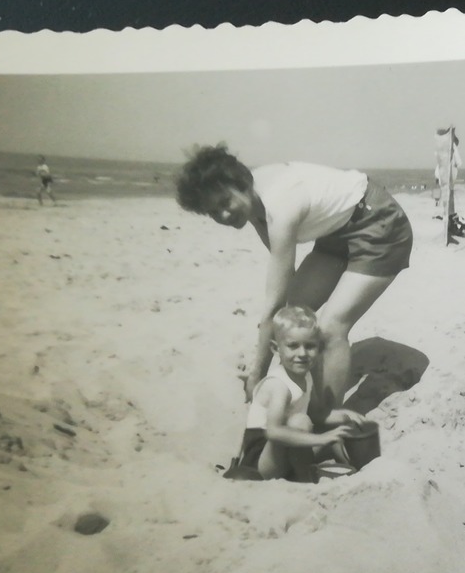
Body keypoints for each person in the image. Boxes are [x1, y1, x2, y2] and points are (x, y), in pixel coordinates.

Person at [174, 143, 413, 408]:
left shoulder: (280, 203)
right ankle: (297, 389)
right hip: (334, 233)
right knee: (292, 315)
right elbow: (283, 297)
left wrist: (257, 375)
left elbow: (271, 303)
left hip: (377, 224)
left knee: (331, 328)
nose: (224, 214)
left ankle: (326, 417)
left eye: (225, 203)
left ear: (241, 184)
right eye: (213, 212)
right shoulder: (252, 201)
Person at [228, 306, 366, 482]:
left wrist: (344, 416)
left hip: (289, 443)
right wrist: (321, 439)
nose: (302, 354)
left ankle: (345, 466)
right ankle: (306, 478)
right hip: (260, 461)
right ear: (276, 349)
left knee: (334, 431)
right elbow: (274, 432)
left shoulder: (305, 376)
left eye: (309, 346)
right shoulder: (278, 385)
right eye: (293, 346)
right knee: (300, 421)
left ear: (319, 348)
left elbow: (316, 414)